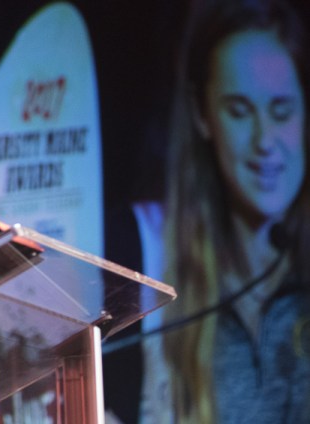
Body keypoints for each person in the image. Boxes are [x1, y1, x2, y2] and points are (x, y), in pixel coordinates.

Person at [129, 0, 310, 422]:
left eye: (281, 111)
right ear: (202, 115)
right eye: (239, 112)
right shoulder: (150, 258)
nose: (265, 140)